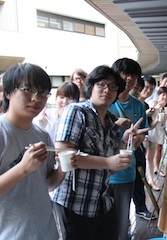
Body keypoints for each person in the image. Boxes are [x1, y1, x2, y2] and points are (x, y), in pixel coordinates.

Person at [52, 65, 140, 240]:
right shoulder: (77, 111)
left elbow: (113, 169)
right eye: (101, 84)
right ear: (90, 86)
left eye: (113, 86)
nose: (107, 90)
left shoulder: (112, 122)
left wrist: (126, 142)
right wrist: (107, 163)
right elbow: (64, 155)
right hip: (74, 204)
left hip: (102, 204)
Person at [0, 63, 65, 239]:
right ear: (8, 93)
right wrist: (23, 167)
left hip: (46, 232)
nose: (36, 98)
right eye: (28, 90)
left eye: (42, 93)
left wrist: (63, 168)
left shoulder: (42, 135)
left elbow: (47, 184)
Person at [108, 58, 149, 240]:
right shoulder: (105, 103)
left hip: (126, 170)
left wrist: (136, 139)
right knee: (103, 220)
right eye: (125, 73)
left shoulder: (138, 105)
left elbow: (142, 133)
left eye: (133, 75)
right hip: (102, 170)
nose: (129, 78)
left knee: (123, 218)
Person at [129, 75, 157, 221]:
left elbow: (145, 128)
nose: (143, 91)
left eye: (138, 87)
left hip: (138, 147)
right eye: (140, 88)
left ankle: (141, 208)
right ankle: (123, 216)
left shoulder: (142, 106)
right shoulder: (114, 104)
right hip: (121, 150)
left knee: (140, 178)